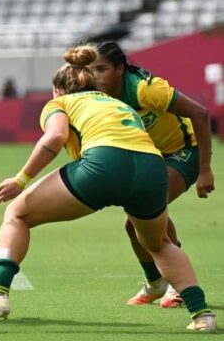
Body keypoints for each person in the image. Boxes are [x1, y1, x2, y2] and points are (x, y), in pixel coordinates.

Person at [0, 46, 215, 332]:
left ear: (57, 90)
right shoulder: (119, 103)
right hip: (152, 166)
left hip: (105, 163)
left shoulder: (60, 104)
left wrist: (20, 180)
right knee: (160, 243)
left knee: (18, 214)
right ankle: (202, 314)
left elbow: (54, 138)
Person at [89, 41, 215, 307]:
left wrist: (205, 169)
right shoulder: (96, 95)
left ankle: (180, 286)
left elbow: (200, 113)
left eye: (101, 69)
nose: (95, 76)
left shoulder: (145, 89)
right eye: (91, 70)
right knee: (132, 222)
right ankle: (156, 283)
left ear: (120, 69)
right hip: (151, 158)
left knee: (149, 208)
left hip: (184, 151)